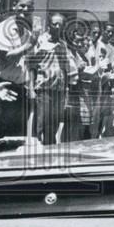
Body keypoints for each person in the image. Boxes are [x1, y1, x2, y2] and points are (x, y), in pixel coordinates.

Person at [0, 0, 36, 139]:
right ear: (14, 6)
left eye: (29, 7)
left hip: (20, 88)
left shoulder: (26, 31)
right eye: (22, 5)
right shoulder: (3, 28)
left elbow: (29, 62)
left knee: (15, 135)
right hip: (3, 86)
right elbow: (5, 57)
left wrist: (31, 88)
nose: (25, 9)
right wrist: (29, 44)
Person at [31, 13, 77, 145]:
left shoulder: (63, 44)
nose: (57, 27)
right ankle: (38, 154)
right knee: (41, 123)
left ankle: (50, 154)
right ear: (49, 25)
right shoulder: (40, 40)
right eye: (54, 24)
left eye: (60, 25)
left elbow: (67, 68)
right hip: (44, 89)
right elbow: (31, 64)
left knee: (54, 125)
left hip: (59, 89)